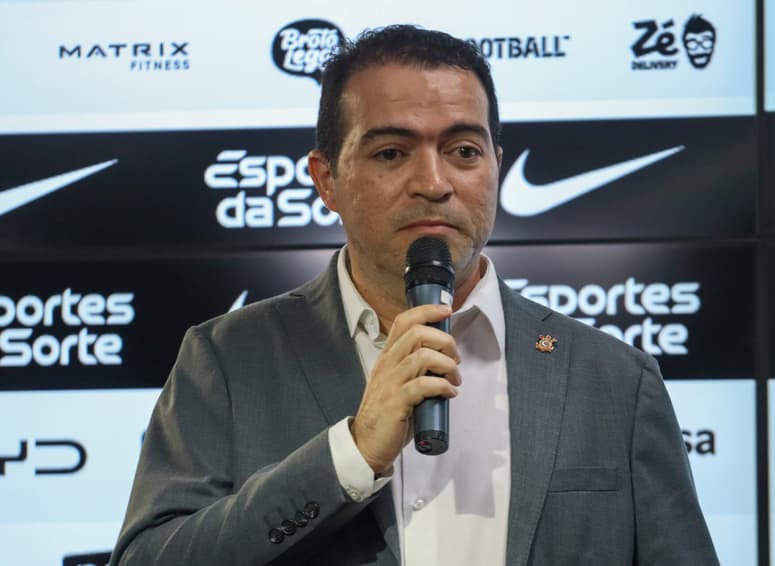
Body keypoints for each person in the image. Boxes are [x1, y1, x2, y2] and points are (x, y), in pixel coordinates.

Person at [112, 25, 719, 565]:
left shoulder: (612, 378)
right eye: (391, 152)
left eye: (463, 151)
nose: (433, 183)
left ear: (496, 167)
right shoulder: (227, 359)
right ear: (327, 179)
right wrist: (350, 456)